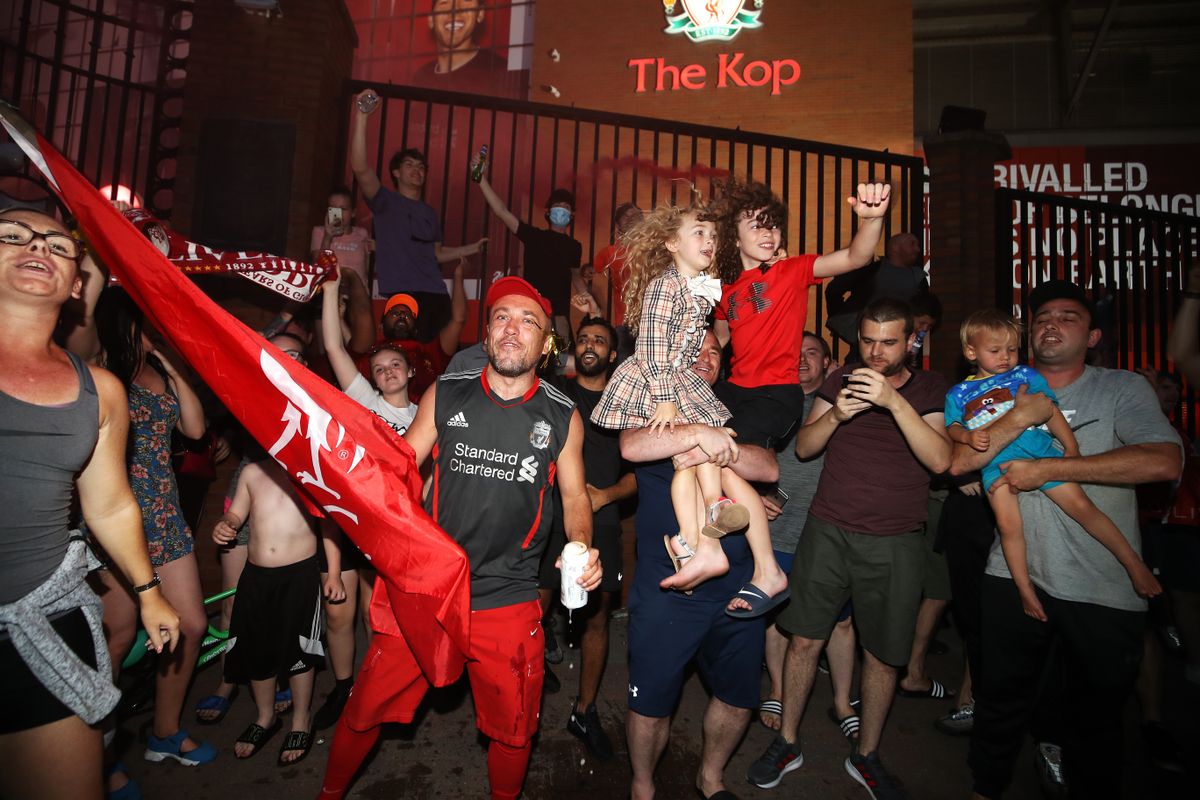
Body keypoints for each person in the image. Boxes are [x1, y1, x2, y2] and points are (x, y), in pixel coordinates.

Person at [318, 276, 601, 800]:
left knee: (515, 728)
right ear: (487, 334)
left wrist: (579, 543)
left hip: (510, 594)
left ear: (545, 344)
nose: (512, 329)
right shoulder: (447, 391)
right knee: (364, 709)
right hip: (430, 589)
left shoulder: (562, 415)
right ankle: (329, 794)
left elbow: (575, 498)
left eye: (528, 322)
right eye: (501, 318)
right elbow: (398, 467)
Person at [948, 280, 1182, 800]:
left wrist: (1050, 465)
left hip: (1100, 584)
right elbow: (959, 461)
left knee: (1096, 718)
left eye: (1068, 316)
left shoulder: (1121, 387)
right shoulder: (993, 388)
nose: (1050, 324)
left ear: (1094, 334)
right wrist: (1019, 418)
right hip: (1012, 576)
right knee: (999, 703)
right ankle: (986, 788)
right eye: (1042, 316)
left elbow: (1165, 461)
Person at [0, 206, 180, 800]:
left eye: (57, 244)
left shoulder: (98, 390)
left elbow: (108, 506)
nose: (37, 247)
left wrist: (149, 592)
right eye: (12, 236)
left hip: (45, 622)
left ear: (77, 284)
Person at [748, 297, 951, 797]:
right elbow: (805, 447)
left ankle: (867, 755)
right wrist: (837, 413)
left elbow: (941, 460)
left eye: (888, 342)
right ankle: (789, 742)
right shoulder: (840, 381)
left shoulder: (931, 388)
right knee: (804, 639)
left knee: (882, 654)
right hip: (829, 530)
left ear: (911, 342)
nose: (876, 352)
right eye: (867, 341)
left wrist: (893, 402)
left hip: (896, 539)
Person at [590, 202, 787, 616]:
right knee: (694, 458)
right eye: (699, 233)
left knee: (696, 460)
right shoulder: (666, 285)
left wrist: (769, 269)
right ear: (671, 242)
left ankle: (698, 537)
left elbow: (711, 333)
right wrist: (664, 396)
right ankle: (701, 537)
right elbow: (652, 345)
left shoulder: (699, 287)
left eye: (714, 236)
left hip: (681, 380)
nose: (709, 241)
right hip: (658, 378)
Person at [619, 329, 764, 800]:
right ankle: (643, 785)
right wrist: (698, 434)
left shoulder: (731, 406)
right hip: (669, 586)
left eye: (715, 352)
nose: (706, 358)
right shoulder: (652, 400)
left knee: (738, 695)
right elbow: (631, 447)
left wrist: (721, 447)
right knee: (652, 703)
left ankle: (711, 777)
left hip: (738, 583)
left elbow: (771, 468)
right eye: (695, 350)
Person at [947, 309, 1161, 621]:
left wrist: (1071, 446)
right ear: (971, 351)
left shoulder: (1025, 376)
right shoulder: (960, 392)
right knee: (1009, 527)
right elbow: (951, 426)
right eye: (995, 351)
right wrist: (966, 435)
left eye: (1011, 349)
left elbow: (1049, 411)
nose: (1005, 357)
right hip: (996, 466)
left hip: (1040, 454)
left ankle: (1133, 563)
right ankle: (1024, 589)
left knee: (1082, 507)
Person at [85, 287, 216, 769]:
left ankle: (164, 732)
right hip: (113, 512)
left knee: (192, 625)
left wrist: (172, 363)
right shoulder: (98, 366)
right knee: (117, 634)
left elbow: (197, 431)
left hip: (163, 510)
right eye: (149, 320)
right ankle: (95, 752)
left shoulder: (158, 371)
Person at [708, 179, 891, 488]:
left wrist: (872, 219)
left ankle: (748, 495)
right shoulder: (726, 289)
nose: (768, 233)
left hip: (774, 393)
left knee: (728, 446)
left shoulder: (791, 269)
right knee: (697, 436)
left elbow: (854, 257)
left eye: (774, 226)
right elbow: (719, 338)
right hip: (733, 389)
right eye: (756, 226)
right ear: (734, 239)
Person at [536, 314, 636, 760]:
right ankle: (529, 683)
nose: (591, 344)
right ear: (574, 349)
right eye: (584, 338)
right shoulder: (556, 395)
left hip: (605, 523)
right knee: (531, 611)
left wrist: (605, 496)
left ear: (613, 354)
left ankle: (585, 708)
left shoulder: (628, 403)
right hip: (548, 521)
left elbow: (642, 475)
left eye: (600, 340)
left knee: (596, 618)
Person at [759, 333, 860, 745]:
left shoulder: (845, 406)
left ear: (828, 362)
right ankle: (779, 692)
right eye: (793, 354)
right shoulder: (770, 405)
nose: (801, 361)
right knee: (776, 618)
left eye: (812, 354)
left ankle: (842, 702)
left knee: (841, 620)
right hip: (779, 528)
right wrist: (756, 493)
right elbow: (745, 453)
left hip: (829, 531)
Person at [213, 448, 342, 765]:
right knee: (257, 649)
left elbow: (329, 525)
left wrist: (335, 573)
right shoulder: (252, 472)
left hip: (299, 578)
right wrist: (226, 523)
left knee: (300, 652)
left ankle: (301, 720)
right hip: (256, 578)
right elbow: (236, 514)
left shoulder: (309, 475)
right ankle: (265, 716)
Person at [350, 88, 486, 340]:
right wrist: (362, 115)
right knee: (402, 360)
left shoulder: (429, 213)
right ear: (395, 173)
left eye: (421, 167)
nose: (417, 170)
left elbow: (436, 253)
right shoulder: (385, 201)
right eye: (409, 165)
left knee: (435, 363)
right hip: (403, 293)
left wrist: (469, 249)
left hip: (435, 293)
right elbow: (360, 167)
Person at [471, 157, 582, 336]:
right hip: (532, 309)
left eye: (566, 206)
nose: (561, 209)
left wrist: (590, 301)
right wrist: (481, 179)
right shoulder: (534, 236)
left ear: (572, 214)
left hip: (560, 315)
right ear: (548, 211)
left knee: (560, 359)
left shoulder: (575, 246)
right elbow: (501, 211)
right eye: (557, 205)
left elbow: (576, 277)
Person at [358, 258, 469, 401]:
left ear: (416, 328)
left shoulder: (431, 351)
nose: (401, 315)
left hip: (422, 417)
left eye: (408, 314)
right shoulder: (371, 352)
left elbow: (458, 319)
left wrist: (458, 276)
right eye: (393, 312)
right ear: (381, 327)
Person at [824, 231, 926, 349]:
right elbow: (834, 290)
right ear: (895, 247)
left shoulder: (918, 277)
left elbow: (926, 311)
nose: (918, 250)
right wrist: (842, 321)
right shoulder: (871, 269)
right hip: (865, 340)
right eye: (912, 244)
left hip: (900, 343)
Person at [410, 0, 524, 99]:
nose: (455, 9)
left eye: (466, 0)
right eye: (444, 2)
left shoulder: (502, 75)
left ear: (480, 14)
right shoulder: (421, 78)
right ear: (431, 19)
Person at [310, 186, 371, 292]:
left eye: (343, 209)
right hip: (328, 293)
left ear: (353, 213)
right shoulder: (319, 232)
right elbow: (318, 268)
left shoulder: (362, 234)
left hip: (356, 295)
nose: (337, 213)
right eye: (333, 208)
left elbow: (367, 268)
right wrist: (327, 237)